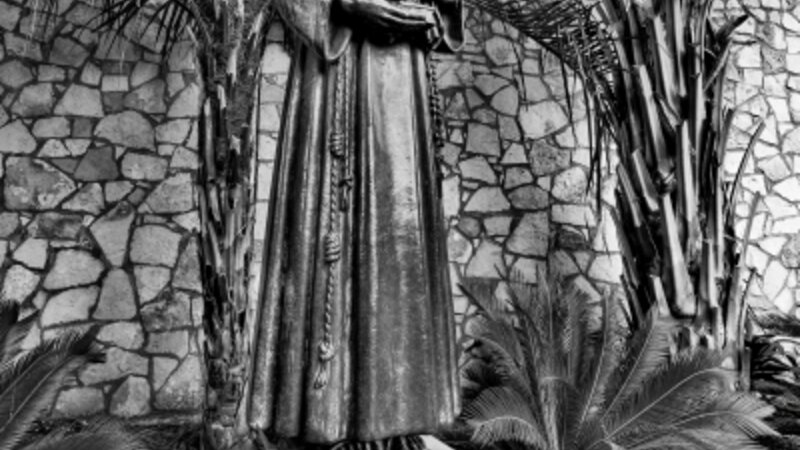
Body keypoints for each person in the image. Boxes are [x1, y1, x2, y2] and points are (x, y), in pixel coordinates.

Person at [247, 0, 463, 448]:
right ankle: (329, 422)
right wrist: (347, 5)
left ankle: (396, 419)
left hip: (401, 74)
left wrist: (430, 15)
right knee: (331, 223)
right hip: (337, 71)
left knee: (401, 227)